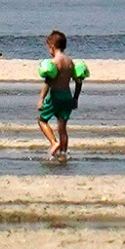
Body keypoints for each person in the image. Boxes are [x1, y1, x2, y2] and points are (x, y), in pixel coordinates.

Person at [37, 29, 88, 162]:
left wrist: (41, 99)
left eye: (48, 47)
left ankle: (54, 142)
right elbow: (78, 81)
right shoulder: (70, 62)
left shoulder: (54, 63)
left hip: (55, 96)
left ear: (52, 46)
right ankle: (63, 153)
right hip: (67, 96)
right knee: (62, 127)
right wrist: (75, 98)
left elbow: (48, 83)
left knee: (42, 121)